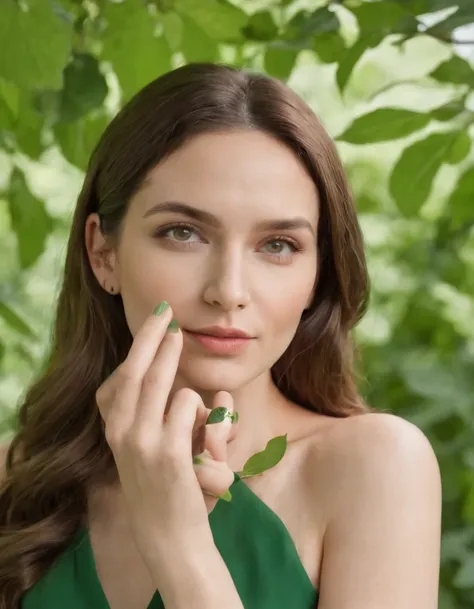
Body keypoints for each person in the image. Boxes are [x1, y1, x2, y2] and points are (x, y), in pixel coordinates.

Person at [0, 62, 441, 609]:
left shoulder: (374, 468)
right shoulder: (14, 483)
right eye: (183, 233)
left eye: (278, 244)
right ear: (102, 252)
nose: (228, 291)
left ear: (317, 277)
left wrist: (179, 545)